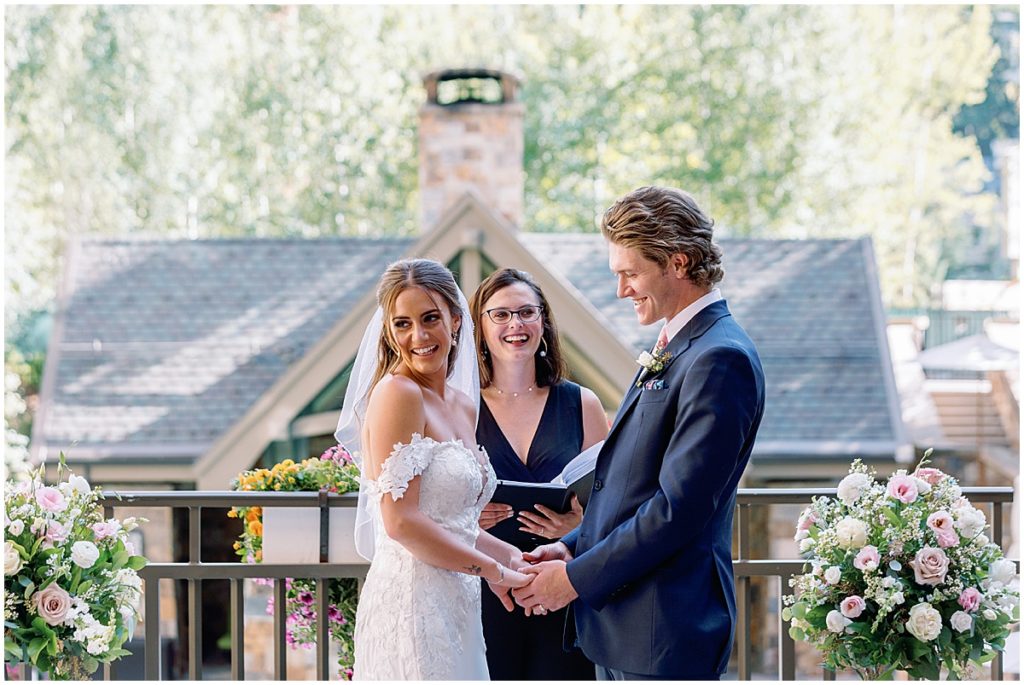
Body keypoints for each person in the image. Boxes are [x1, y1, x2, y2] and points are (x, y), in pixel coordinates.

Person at [512, 186, 766, 680]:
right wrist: (572, 545)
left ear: (679, 261)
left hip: (664, 629)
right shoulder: (680, 342)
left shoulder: (719, 358)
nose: (621, 290)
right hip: (626, 628)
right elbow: (634, 486)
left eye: (631, 273)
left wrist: (573, 579)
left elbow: (678, 510)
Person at [335, 258, 530, 680]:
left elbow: (450, 520)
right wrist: (496, 571)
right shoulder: (397, 394)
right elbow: (401, 522)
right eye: (402, 323)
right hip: (412, 602)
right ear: (388, 330)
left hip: (458, 598)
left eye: (430, 319)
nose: (418, 337)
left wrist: (514, 558)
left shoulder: (461, 403)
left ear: (456, 321)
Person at [470, 268, 608, 680]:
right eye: (501, 315)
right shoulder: (458, 407)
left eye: (527, 312)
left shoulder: (583, 404)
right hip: (483, 589)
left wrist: (575, 527)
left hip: (562, 589)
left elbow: (612, 501)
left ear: (544, 322)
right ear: (480, 325)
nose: (516, 324)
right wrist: (465, 522)